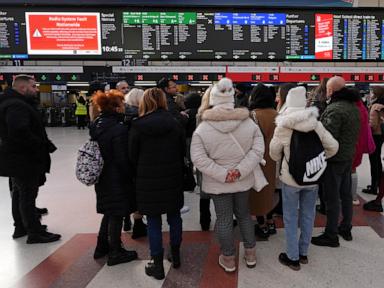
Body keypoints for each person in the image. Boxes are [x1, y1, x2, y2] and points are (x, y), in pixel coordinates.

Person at [191, 77, 264, 272]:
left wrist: (224, 174)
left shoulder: (203, 129)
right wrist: (239, 171)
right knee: (244, 215)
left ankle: (229, 258)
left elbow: (198, 158)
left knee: (223, 219)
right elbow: (258, 150)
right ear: (233, 99)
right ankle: (250, 254)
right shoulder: (249, 124)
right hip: (243, 180)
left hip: (218, 183)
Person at [269, 86, 338, 271]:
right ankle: (303, 253)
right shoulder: (316, 124)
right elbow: (333, 147)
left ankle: (292, 257)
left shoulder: (282, 126)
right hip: (312, 178)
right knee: (308, 215)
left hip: (291, 180)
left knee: (291, 218)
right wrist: (319, 160)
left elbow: (274, 154)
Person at [129, 88, 185, 280]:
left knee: (153, 221)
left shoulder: (137, 125)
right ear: (163, 101)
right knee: (174, 216)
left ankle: (157, 263)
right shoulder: (175, 123)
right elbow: (181, 152)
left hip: (147, 181)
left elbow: (132, 156)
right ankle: (176, 255)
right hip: (172, 178)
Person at [0, 74, 61, 243]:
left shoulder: (12, 102)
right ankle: (34, 232)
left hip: (16, 158)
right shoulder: (16, 106)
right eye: (33, 87)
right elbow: (20, 131)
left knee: (20, 193)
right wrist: (40, 145)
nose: (36, 90)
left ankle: (22, 226)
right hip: (23, 159)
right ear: (22, 88)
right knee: (27, 195)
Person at [90, 89, 138, 266]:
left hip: (102, 176)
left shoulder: (97, 124)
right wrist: (131, 176)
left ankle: (101, 247)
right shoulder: (118, 129)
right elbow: (122, 159)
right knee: (117, 214)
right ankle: (115, 252)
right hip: (116, 178)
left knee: (109, 212)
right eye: (122, 103)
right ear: (116, 108)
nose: (125, 106)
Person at [311, 76, 360, 247]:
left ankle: (331, 235)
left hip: (334, 160)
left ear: (331, 90)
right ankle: (345, 227)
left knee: (331, 198)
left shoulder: (335, 109)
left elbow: (326, 137)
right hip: (348, 157)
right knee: (346, 195)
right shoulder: (353, 107)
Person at [248, 83, 279, 239]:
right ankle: (271, 221)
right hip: (275, 161)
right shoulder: (278, 115)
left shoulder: (252, 115)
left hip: (258, 161)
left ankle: (262, 226)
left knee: (258, 192)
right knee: (271, 191)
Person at [121, 88, 147, 238]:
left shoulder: (122, 117)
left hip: (123, 161)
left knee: (126, 192)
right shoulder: (141, 118)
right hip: (138, 161)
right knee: (138, 193)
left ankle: (126, 220)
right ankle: (138, 224)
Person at [362, 86, 384, 195]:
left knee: (374, 161)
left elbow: (373, 124)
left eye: (372, 92)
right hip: (381, 135)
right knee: (378, 161)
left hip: (375, 135)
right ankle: (379, 185)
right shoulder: (382, 104)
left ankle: (374, 186)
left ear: (376, 94)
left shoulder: (375, 106)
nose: (371, 94)